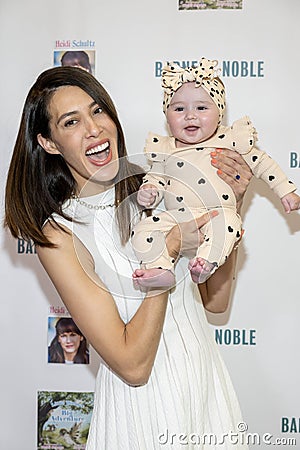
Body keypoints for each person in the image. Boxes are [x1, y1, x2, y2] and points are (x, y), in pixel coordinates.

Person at [5, 66, 253, 449]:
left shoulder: (157, 183)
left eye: (98, 110)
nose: (94, 129)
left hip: (206, 395)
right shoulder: (60, 232)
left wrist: (231, 204)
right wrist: (165, 253)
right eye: (71, 122)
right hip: (144, 413)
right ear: (49, 143)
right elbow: (132, 365)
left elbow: (215, 303)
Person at [132, 57, 300, 288]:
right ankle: (159, 268)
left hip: (217, 213)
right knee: (145, 227)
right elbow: (156, 178)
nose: (190, 115)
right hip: (178, 218)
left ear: (219, 112)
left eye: (201, 108)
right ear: (167, 114)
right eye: (179, 109)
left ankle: (206, 262)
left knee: (230, 223)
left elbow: (263, 164)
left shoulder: (230, 140)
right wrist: (148, 190)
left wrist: (286, 191)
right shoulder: (165, 149)